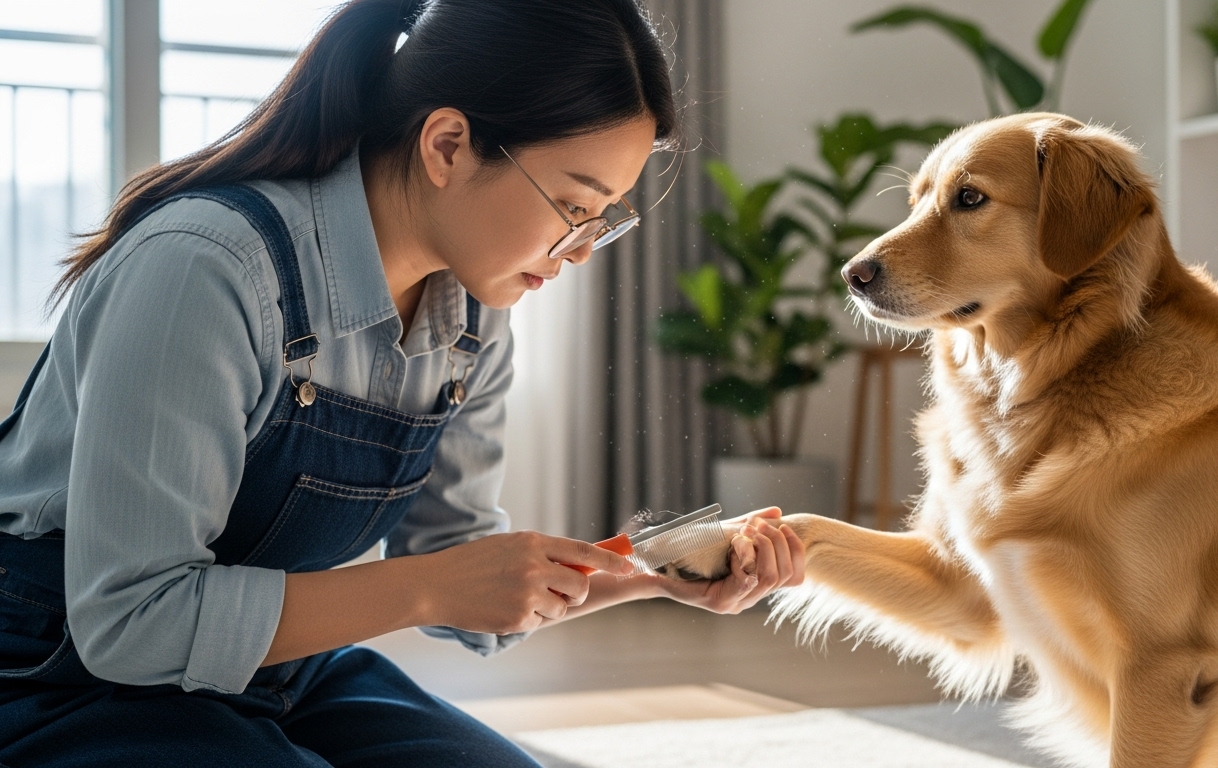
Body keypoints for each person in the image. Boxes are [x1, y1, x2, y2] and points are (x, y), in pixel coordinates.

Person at [0, 0, 806, 764]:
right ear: (448, 145)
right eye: (570, 203)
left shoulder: (474, 315)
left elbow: (456, 563)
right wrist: (426, 588)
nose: (584, 246)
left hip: (276, 668)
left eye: (606, 217)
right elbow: (130, 624)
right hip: (62, 673)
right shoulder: (206, 270)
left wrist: (655, 576)